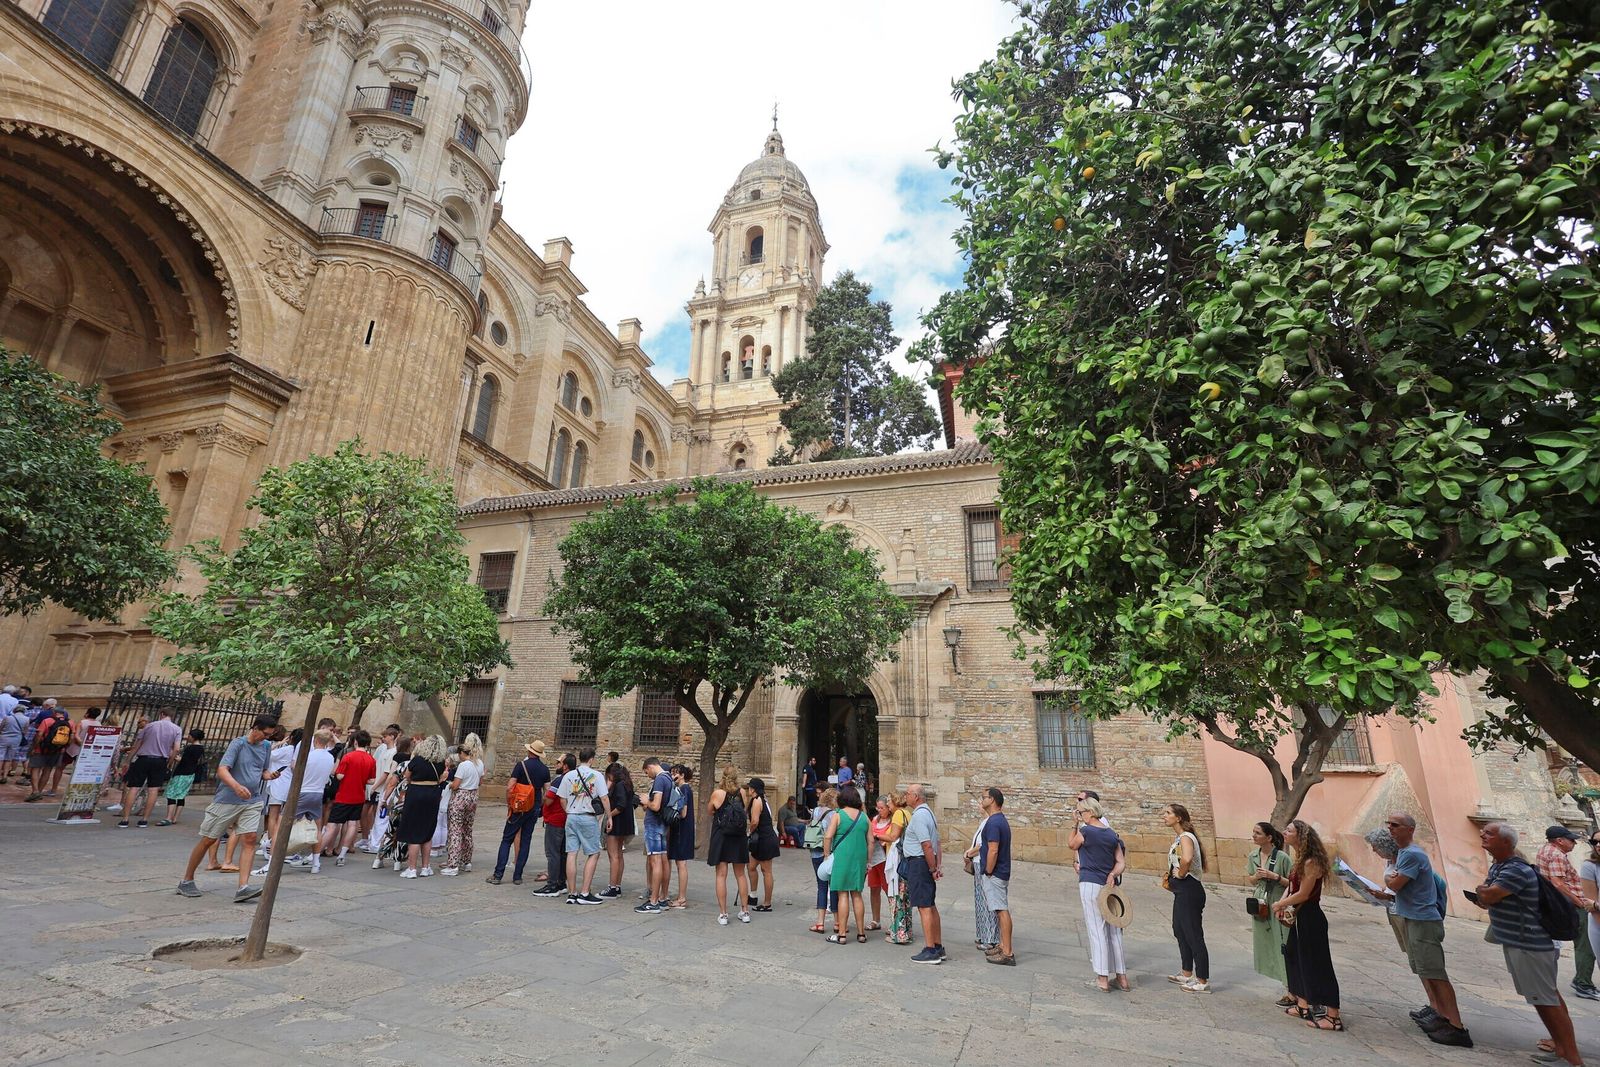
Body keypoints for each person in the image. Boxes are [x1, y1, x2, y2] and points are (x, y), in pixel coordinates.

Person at [1475, 822, 1583, 1066]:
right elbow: (1487, 896)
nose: (1482, 834)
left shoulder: (1515, 870)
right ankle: (1562, 1050)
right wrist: (1485, 893)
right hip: (1520, 944)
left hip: (1529, 946)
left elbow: (1488, 895)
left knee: (1547, 1001)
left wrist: (1484, 892)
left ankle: (1572, 1059)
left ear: (1506, 842)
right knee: (1544, 998)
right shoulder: (1500, 866)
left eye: (1489, 833)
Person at [1381, 814, 1469, 1046]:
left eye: (1395, 825)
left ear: (1410, 829)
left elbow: (1396, 884)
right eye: (1389, 825)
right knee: (1425, 970)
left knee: (1436, 973)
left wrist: (1390, 880)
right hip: (1414, 917)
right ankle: (1441, 1015)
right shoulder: (1405, 853)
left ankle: (1456, 1026)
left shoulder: (1412, 854)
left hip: (1423, 919)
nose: (1390, 829)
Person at [176, 714, 275, 902]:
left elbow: (262, 770)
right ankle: (186, 880)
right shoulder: (238, 744)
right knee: (209, 839)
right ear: (255, 728)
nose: (267, 738)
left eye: (270, 735)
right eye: (265, 733)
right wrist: (236, 786)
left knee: (250, 839)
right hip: (228, 799)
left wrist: (269, 776)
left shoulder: (266, 746)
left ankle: (243, 887)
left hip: (252, 800)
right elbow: (222, 770)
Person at [1274, 819, 1342, 1031]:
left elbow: (1303, 894)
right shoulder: (1300, 859)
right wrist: (1283, 904)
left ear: (1301, 835)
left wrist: (1280, 904)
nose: (1285, 832)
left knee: (1318, 964)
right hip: (1299, 915)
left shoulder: (1312, 862)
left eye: (1289, 830)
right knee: (1295, 958)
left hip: (1311, 917)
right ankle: (1303, 1003)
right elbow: (1292, 886)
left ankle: (1333, 1016)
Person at [1539, 825, 1600, 1003]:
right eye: (1571, 840)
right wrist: (1579, 902)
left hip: (1560, 903)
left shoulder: (1545, 850)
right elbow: (1557, 883)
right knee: (1586, 945)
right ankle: (1583, 983)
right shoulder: (1557, 855)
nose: (1574, 843)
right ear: (1560, 841)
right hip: (1574, 904)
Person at [1071, 796, 1126, 988]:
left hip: (1090, 882)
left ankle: (1102, 978)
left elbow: (1072, 844)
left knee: (1097, 929)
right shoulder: (1111, 834)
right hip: (1109, 885)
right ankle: (1122, 977)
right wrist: (1112, 874)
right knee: (1114, 930)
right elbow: (1121, 862)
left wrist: (1074, 825)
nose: (1080, 815)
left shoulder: (1086, 831)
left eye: (1081, 812)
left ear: (1091, 812)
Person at [1161, 802, 1209, 992]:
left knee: (1193, 934)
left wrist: (1180, 874)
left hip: (1190, 889)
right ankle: (1186, 972)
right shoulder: (1180, 837)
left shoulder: (1186, 837)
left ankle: (1202, 980)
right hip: (1181, 891)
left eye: (1168, 813)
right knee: (1179, 930)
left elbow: (1187, 859)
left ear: (1178, 817)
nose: (1164, 816)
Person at [489, 740, 549, 885]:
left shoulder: (521, 765)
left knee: (507, 839)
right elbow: (547, 792)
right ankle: (517, 876)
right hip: (533, 808)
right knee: (526, 841)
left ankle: (498, 875)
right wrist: (539, 805)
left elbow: (510, 787)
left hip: (518, 807)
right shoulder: (544, 769)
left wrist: (510, 804)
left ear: (530, 751)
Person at [1247, 821, 1293, 1003]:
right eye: (1253, 832)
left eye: (1258, 833)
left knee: (1282, 944)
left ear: (1269, 837)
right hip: (1261, 903)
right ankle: (1285, 984)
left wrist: (1276, 877)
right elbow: (1251, 880)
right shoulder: (1253, 855)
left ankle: (1291, 989)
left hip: (1278, 902)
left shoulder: (1282, 857)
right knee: (1266, 944)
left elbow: (1293, 883)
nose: (1254, 835)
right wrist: (1256, 876)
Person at [116, 706, 181, 828]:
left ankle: (125, 819)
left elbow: (137, 745)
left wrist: (127, 760)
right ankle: (144, 820)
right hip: (160, 761)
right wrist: (169, 762)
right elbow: (176, 749)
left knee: (134, 788)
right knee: (153, 790)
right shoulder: (177, 729)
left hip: (143, 759)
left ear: (162, 714)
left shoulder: (150, 726)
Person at [319, 728, 375, 867]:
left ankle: (314, 854)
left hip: (344, 795)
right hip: (359, 796)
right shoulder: (371, 759)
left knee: (332, 825)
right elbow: (372, 780)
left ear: (355, 742)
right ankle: (342, 854)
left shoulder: (348, 757)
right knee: (353, 824)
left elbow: (339, 776)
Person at [902, 782, 944, 964]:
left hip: (919, 863)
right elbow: (937, 843)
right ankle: (937, 945)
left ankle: (930, 950)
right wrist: (936, 865)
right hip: (925, 862)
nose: (905, 796)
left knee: (924, 906)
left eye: (908, 793)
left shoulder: (919, 816)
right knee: (930, 904)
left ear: (916, 796)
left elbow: (926, 844)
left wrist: (933, 868)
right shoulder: (929, 813)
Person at [559, 747, 608, 904]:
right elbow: (604, 798)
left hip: (572, 816)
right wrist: (609, 816)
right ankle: (585, 892)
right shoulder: (597, 775)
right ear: (591, 759)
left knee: (571, 853)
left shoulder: (569, 775)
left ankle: (572, 893)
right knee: (593, 853)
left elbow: (562, 798)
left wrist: (568, 811)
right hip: (588, 817)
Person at [395, 734, 447, 879]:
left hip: (416, 794)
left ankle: (412, 869)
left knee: (413, 832)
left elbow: (407, 776)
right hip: (433, 795)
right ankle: (425, 867)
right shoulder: (440, 762)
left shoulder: (417, 760)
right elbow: (441, 778)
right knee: (427, 831)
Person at [706, 764, 751, 925]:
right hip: (738, 837)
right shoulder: (742, 792)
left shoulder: (717, 794)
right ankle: (745, 911)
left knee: (721, 875)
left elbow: (710, 811)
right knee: (741, 874)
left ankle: (723, 914)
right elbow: (744, 810)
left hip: (722, 836)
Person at [825, 782, 870, 943]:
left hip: (842, 857)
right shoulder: (864, 817)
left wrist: (826, 855)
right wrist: (868, 860)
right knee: (857, 894)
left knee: (842, 894)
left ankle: (842, 934)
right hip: (859, 858)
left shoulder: (838, 815)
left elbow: (828, 836)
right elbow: (871, 841)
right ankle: (861, 933)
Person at [977, 787, 1014, 965]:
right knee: (999, 910)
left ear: (992, 800)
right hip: (1000, 871)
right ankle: (1002, 944)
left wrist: (988, 870)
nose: (981, 800)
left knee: (1001, 910)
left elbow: (993, 849)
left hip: (996, 872)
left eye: (984, 797)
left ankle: (1007, 952)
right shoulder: (999, 820)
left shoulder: (993, 822)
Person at [441, 732, 484, 876]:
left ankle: (453, 864)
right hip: (473, 796)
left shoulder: (464, 765)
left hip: (461, 797)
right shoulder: (479, 763)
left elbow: (456, 785)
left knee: (455, 830)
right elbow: (480, 781)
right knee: (467, 830)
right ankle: (466, 861)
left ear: (462, 753)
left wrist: (448, 784)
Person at [532, 753, 574, 897]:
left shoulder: (559, 780)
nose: (556, 764)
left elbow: (549, 800)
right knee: (563, 853)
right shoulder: (574, 778)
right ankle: (561, 883)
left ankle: (552, 885)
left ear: (565, 766)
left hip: (555, 820)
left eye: (559, 762)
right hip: (568, 819)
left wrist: (544, 797)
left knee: (553, 853)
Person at [637, 756, 674, 913]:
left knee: (655, 862)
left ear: (650, 767)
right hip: (663, 824)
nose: (648, 776)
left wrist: (646, 801)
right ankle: (663, 898)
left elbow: (656, 805)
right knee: (663, 861)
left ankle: (653, 901)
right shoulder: (669, 778)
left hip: (654, 824)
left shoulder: (659, 780)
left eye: (647, 772)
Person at [259, 726, 301, 854]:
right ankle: (281, 844)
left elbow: (268, 755)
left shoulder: (288, 749)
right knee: (285, 817)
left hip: (278, 784)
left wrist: (279, 744)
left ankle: (271, 843)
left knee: (273, 815)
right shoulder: (301, 752)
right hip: (290, 785)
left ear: (291, 737)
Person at [966, 790, 998, 955]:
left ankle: (990, 938)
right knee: (980, 901)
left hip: (983, 862)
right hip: (978, 863)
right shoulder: (985, 822)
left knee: (986, 901)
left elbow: (983, 845)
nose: (980, 804)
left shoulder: (990, 822)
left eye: (983, 800)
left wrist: (969, 853)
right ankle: (983, 934)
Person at [23, 698, 71, 802]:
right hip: (57, 750)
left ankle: (35, 791)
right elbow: (70, 738)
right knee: (47, 770)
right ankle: (40, 791)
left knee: (35, 769)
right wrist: (63, 748)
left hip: (41, 749)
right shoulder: (69, 723)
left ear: (55, 713)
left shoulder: (47, 721)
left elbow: (39, 735)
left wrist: (34, 747)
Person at [806, 787, 839, 933]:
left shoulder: (815, 811)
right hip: (829, 853)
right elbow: (831, 835)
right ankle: (837, 923)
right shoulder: (834, 814)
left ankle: (820, 923)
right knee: (834, 886)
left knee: (821, 886)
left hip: (815, 851)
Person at [601, 757, 635, 898]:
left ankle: (612, 887)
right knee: (619, 855)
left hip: (617, 822)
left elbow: (620, 805)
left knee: (613, 855)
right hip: (625, 822)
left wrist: (609, 815)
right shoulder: (627, 784)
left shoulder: (619, 785)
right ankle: (617, 885)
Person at [744, 777, 780, 912]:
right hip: (762, 839)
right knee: (751, 866)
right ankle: (753, 895)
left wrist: (749, 832)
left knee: (766, 871)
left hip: (765, 839)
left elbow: (754, 821)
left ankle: (767, 903)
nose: (748, 789)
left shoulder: (757, 800)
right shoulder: (762, 800)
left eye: (749, 787)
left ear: (753, 789)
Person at [883, 790, 913, 945]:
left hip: (898, 861)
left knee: (896, 896)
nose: (887, 803)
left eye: (889, 800)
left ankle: (899, 934)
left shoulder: (897, 815)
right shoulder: (907, 813)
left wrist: (876, 834)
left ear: (895, 801)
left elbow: (893, 836)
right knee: (904, 897)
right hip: (905, 859)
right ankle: (906, 931)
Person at [158, 728, 207, 825]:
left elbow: (185, 761)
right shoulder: (201, 748)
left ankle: (168, 818)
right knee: (181, 796)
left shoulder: (190, 748)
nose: (188, 737)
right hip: (191, 774)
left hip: (181, 773)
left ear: (194, 737)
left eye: (190, 735)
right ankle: (175, 818)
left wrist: (176, 758)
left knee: (171, 794)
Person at [666, 763, 695, 909]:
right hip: (684, 829)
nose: (672, 776)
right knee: (680, 863)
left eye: (675, 773)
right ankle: (681, 897)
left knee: (681, 864)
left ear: (682, 775)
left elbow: (683, 813)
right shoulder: (686, 788)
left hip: (681, 830)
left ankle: (682, 898)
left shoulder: (683, 789)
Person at [866, 795, 892, 930]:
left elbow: (892, 837)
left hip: (886, 860)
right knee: (874, 889)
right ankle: (876, 920)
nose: (879, 810)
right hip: (874, 859)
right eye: (878, 808)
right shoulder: (875, 819)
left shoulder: (892, 822)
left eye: (882, 808)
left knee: (889, 891)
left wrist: (880, 838)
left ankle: (894, 922)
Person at [1581, 832, 1600, 1008]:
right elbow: (1590, 905)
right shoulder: (1590, 867)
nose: (1598, 845)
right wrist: (1596, 906)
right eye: (1595, 841)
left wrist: (1597, 905)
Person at [0, 695, 29, 783]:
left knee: (0, 757)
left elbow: (1, 728)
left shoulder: (7, 718)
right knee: (9, 758)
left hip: (4, 738)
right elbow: (25, 731)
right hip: (16, 739)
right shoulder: (26, 719)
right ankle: (5, 776)